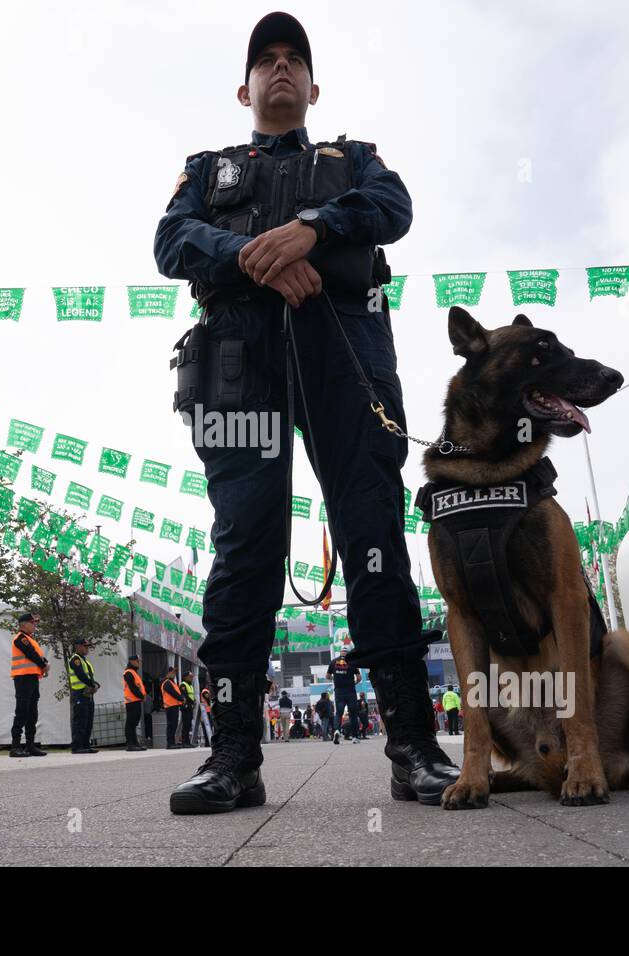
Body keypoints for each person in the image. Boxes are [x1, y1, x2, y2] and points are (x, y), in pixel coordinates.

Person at [156, 11, 457, 813]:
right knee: (245, 545)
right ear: (245, 87)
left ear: (314, 86)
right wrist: (257, 259)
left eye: (295, 60)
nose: (280, 69)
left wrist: (311, 229)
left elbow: (392, 208)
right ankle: (232, 758)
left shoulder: (353, 159)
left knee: (372, 535)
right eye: (267, 61)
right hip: (237, 364)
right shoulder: (207, 167)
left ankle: (414, 749)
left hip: (344, 354)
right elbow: (171, 241)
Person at [10, 612, 49, 757]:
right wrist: (44, 665)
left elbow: (38, 655)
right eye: (32, 623)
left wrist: (44, 663)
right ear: (24, 624)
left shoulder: (30, 639)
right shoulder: (20, 638)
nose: (35, 625)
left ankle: (30, 745)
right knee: (22, 711)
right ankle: (15, 746)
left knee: (32, 713)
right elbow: (31, 654)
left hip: (32, 678)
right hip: (23, 678)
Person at [68, 638, 100, 755]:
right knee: (80, 721)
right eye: (85, 646)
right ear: (77, 647)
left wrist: (95, 684)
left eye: (87, 646)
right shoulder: (75, 659)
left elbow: (87, 676)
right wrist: (92, 684)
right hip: (79, 694)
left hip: (87, 693)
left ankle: (86, 745)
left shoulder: (85, 661)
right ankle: (77, 746)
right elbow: (80, 675)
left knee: (88, 721)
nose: (87, 648)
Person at [326, 653, 360, 744]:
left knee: (339, 713)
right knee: (353, 714)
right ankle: (355, 737)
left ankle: (337, 730)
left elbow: (327, 676)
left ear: (340, 653)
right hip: (350, 691)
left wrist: (335, 678)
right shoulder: (353, 662)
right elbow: (359, 678)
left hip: (339, 691)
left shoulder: (333, 662)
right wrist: (354, 683)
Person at [123, 655, 148, 752]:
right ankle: (130, 744)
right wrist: (142, 696)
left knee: (133, 723)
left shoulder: (134, 672)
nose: (139, 663)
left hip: (136, 701)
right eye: (138, 661)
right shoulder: (128, 673)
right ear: (132, 661)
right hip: (131, 701)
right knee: (130, 723)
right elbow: (132, 687)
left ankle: (135, 743)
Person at [162, 667, 186, 748]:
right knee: (171, 725)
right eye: (172, 672)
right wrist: (182, 698)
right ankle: (170, 743)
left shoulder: (172, 682)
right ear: (168, 673)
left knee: (173, 725)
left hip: (173, 706)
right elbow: (173, 693)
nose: (174, 674)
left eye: (175, 672)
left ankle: (172, 742)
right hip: (170, 706)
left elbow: (176, 692)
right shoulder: (167, 682)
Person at [180, 671, 196, 747]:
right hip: (186, 707)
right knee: (186, 725)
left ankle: (188, 742)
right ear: (185, 677)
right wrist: (192, 702)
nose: (191, 678)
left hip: (190, 706)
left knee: (188, 725)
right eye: (190, 676)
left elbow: (191, 695)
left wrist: (194, 701)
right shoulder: (183, 684)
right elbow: (185, 695)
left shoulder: (190, 685)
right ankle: (184, 742)